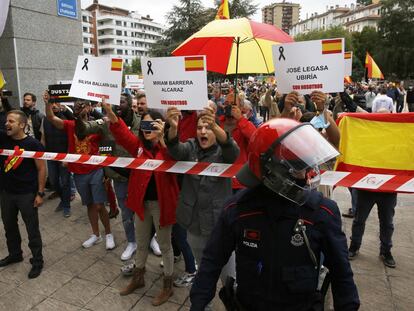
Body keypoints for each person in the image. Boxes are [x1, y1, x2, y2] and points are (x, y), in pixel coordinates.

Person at [190, 118, 360, 311]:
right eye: (299, 168)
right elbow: (212, 261)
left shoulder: (322, 212)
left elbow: (342, 274)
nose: (307, 176)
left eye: (308, 167)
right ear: (274, 172)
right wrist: (198, 304)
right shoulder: (238, 210)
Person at [102, 102, 179, 306]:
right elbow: (121, 134)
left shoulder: (170, 148)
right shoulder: (138, 148)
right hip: (142, 204)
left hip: (162, 205)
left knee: (165, 245)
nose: (146, 130)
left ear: (161, 126)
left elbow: (176, 158)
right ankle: (138, 278)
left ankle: (167, 286)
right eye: (143, 126)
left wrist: (164, 139)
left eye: (151, 126)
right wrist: (110, 113)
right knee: (141, 242)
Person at [165, 106, 239, 289]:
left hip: (219, 226)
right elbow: (175, 150)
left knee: (229, 279)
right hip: (195, 225)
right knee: (204, 272)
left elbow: (233, 150)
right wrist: (173, 127)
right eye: (199, 128)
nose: (203, 131)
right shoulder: (190, 147)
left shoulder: (224, 152)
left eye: (208, 127)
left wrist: (215, 126)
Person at [44, 92, 115, 250]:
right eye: (76, 104)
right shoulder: (70, 125)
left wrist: (107, 173)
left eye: (83, 104)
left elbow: (108, 147)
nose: (79, 106)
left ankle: (109, 233)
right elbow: (51, 119)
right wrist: (48, 103)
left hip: (96, 170)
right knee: (89, 204)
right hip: (78, 173)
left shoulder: (98, 125)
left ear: (90, 107)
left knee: (99, 205)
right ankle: (96, 235)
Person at [76, 93, 141, 261]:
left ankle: (150, 239)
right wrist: (78, 115)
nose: (117, 105)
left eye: (122, 101)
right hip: (119, 178)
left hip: (141, 177)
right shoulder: (104, 123)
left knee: (145, 213)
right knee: (126, 214)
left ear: (130, 103)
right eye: (114, 102)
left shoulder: (142, 122)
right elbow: (83, 131)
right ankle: (132, 242)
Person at [0, 110, 46, 279]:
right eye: (6, 121)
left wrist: (40, 193)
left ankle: (38, 261)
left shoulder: (34, 144)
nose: (7, 124)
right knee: (9, 226)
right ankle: (15, 254)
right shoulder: (3, 138)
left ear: (22, 125)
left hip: (26, 194)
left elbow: (42, 169)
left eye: (11, 121)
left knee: (32, 229)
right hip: (6, 193)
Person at [40, 99, 74, 218]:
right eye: (52, 103)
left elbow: (72, 140)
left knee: (65, 182)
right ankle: (63, 199)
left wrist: (68, 157)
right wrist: (41, 153)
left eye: (56, 103)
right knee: (54, 182)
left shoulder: (67, 118)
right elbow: (43, 137)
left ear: (61, 104)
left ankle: (66, 206)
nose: (54, 105)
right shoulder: (45, 119)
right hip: (50, 156)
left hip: (64, 156)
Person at [348, 189, 398, 268]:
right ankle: (354, 246)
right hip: (366, 190)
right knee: (359, 220)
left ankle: (385, 251)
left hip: (388, 192)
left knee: (387, 223)